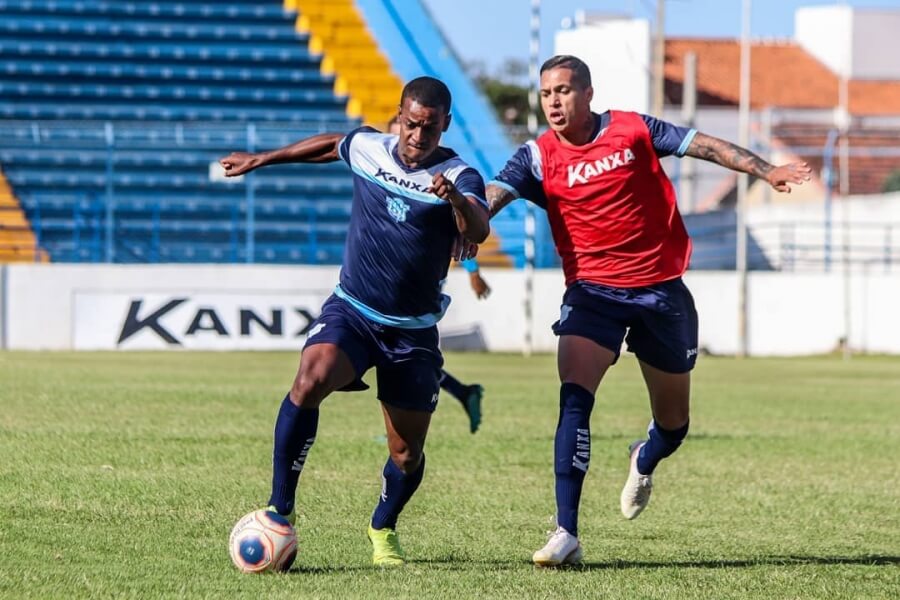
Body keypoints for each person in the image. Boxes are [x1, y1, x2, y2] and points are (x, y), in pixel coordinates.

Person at [485, 55, 811, 567]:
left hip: (660, 292)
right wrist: (462, 218)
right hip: (593, 294)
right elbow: (490, 198)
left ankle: (646, 456)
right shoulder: (536, 156)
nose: (554, 101)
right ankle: (565, 531)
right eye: (547, 92)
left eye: (564, 90)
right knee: (574, 396)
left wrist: (765, 170)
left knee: (674, 423)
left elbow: (703, 144)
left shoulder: (633, 129)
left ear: (588, 94)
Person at [219, 76, 490, 567]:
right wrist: (262, 159)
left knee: (407, 454)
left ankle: (383, 528)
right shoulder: (371, 148)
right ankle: (280, 507)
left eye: (429, 128)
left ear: (445, 125)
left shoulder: (461, 174)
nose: (417, 136)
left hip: (412, 331)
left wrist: (452, 200)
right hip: (353, 311)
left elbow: (479, 226)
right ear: (400, 115)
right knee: (309, 380)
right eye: (410, 124)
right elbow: (331, 144)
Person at [387, 115, 492, 434]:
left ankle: (404, 421)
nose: (409, 144)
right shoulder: (385, 171)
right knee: (392, 351)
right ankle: (461, 392)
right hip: (389, 281)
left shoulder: (442, 178)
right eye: (397, 136)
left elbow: (462, 234)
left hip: (418, 283)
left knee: (389, 350)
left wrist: (473, 271)